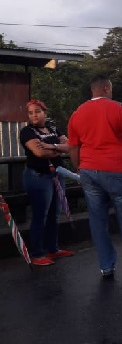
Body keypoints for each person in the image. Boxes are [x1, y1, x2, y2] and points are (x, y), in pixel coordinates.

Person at [68, 75, 122, 278]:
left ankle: (106, 266)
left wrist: (79, 167)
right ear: (106, 88)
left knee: (97, 220)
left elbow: (73, 146)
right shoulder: (117, 107)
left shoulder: (77, 113)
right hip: (117, 170)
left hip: (88, 170)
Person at [19, 99, 75, 266]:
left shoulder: (52, 128)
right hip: (38, 177)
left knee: (54, 214)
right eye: (30, 113)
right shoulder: (27, 132)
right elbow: (39, 153)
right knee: (40, 215)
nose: (34, 115)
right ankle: (37, 253)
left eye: (37, 111)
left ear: (45, 112)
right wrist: (58, 148)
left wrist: (51, 147)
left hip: (57, 175)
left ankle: (53, 248)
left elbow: (71, 146)